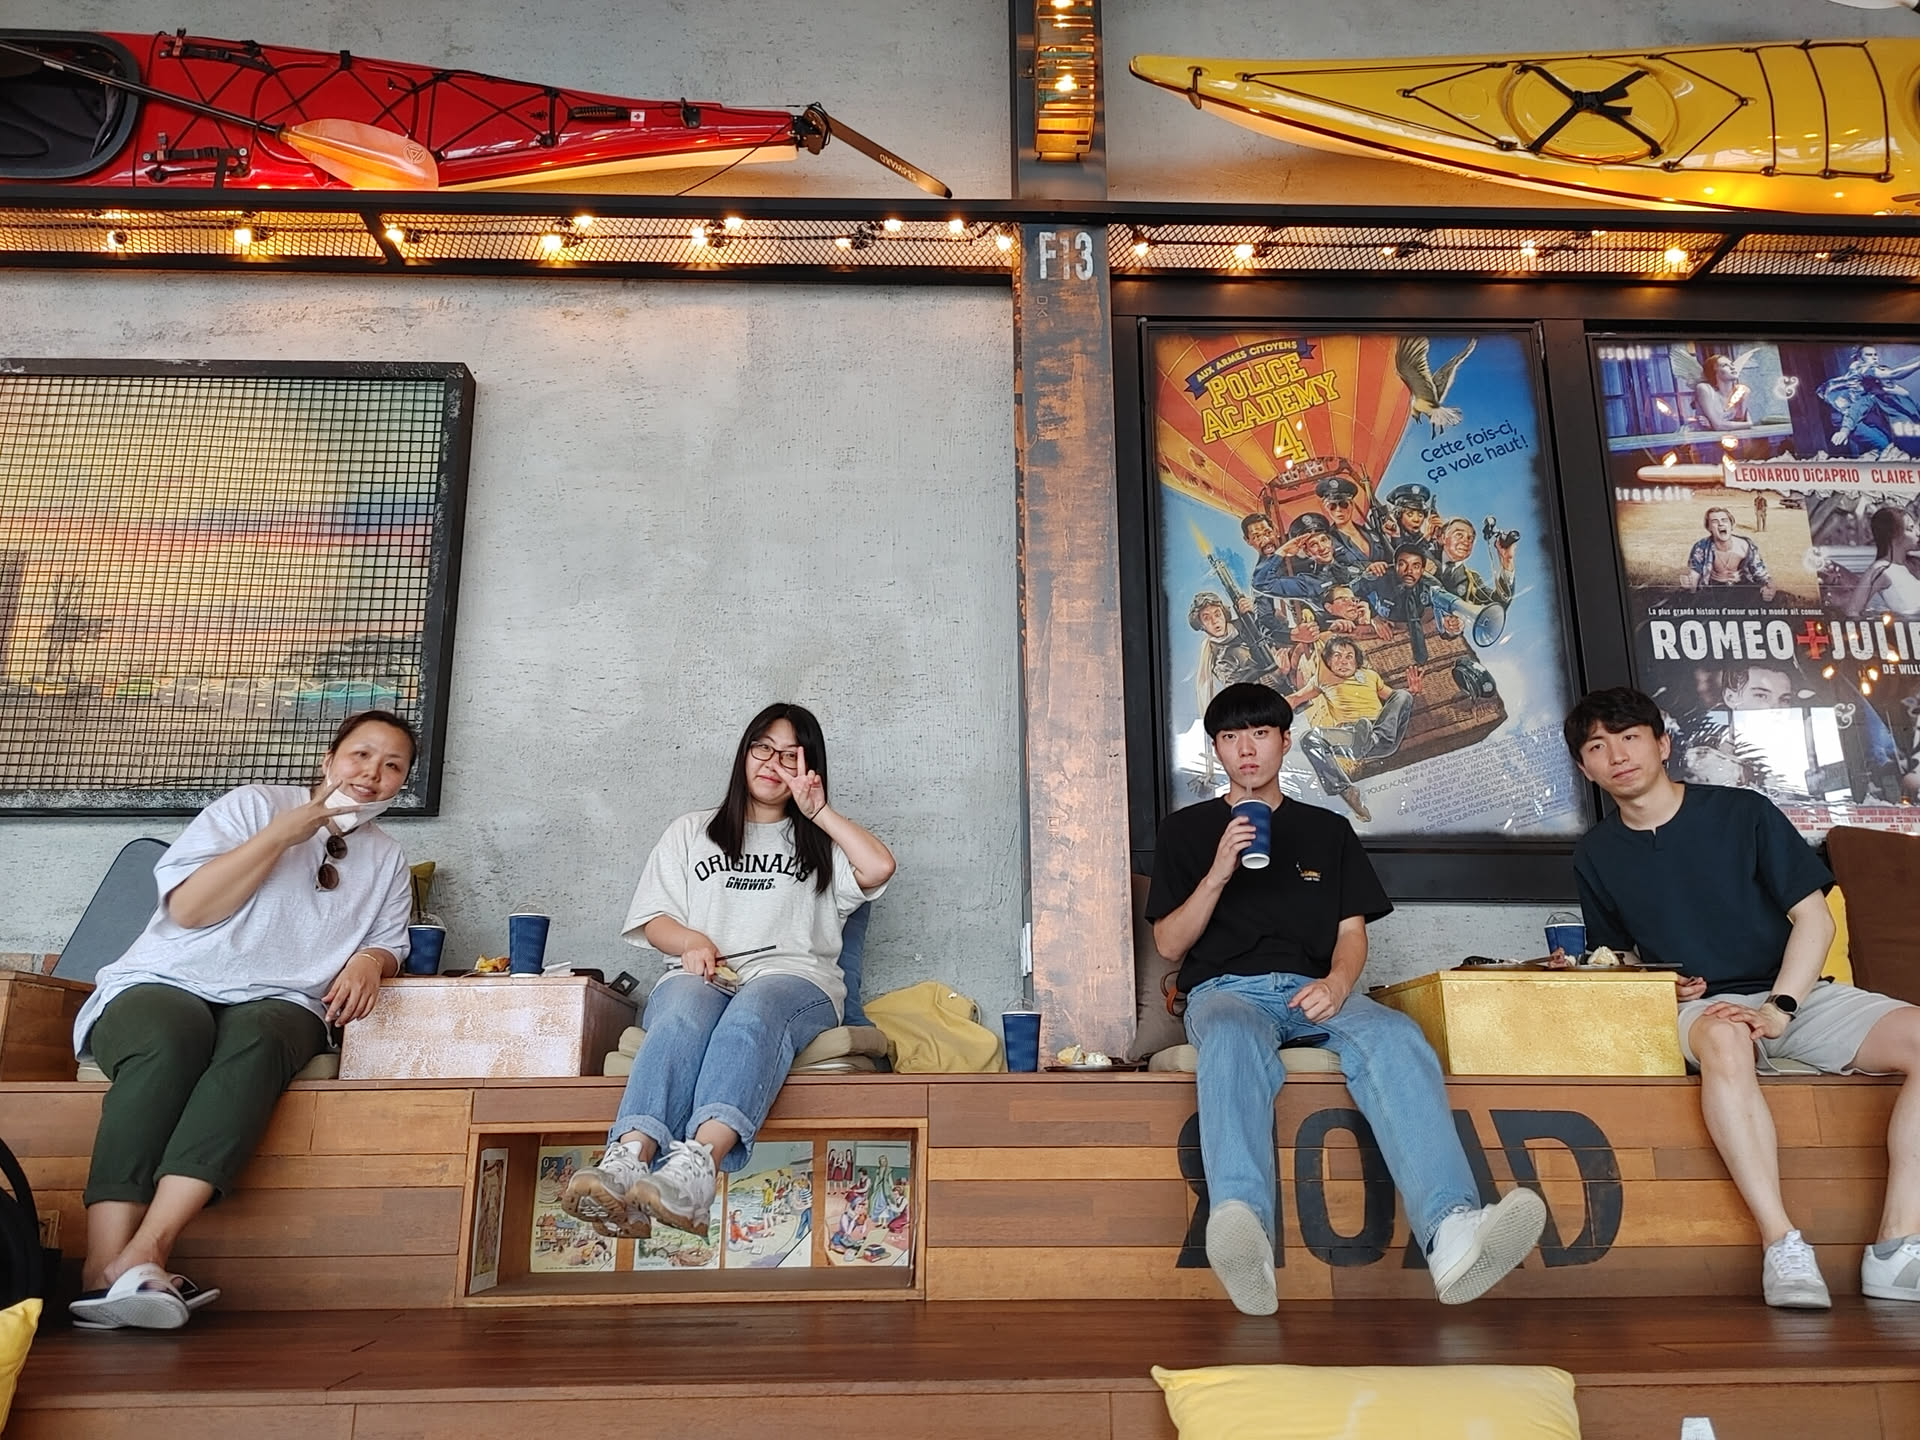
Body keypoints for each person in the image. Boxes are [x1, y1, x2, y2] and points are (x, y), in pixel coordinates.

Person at [1146, 682, 1546, 1315]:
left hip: (1317, 990)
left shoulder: (1327, 830)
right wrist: (1219, 870)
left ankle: (1452, 1233)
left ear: (1284, 741)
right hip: (1226, 991)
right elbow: (1170, 944)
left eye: (1260, 733)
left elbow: (1351, 935)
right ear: (1216, 749)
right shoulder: (1185, 831)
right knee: (1229, 1035)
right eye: (1230, 737)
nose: (1246, 749)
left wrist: (1336, 985)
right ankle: (1242, 1230)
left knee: (1397, 1036)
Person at [1565, 687, 1920, 1307]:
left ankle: (1898, 1246)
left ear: (1663, 745)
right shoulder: (1596, 853)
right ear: (1584, 767)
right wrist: (1658, 982)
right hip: (1701, 1010)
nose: (1617, 755)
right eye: (1598, 746)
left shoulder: (1742, 812)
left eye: (1629, 737)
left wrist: (1779, 1007)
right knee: (1726, 1038)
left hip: (1793, 993)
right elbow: (1617, 960)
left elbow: (1815, 922)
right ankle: (1782, 1243)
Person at [67, 710, 417, 1331]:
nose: (372, 773)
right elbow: (189, 909)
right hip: (165, 981)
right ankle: (102, 1267)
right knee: (171, 1036)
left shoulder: (387, 857)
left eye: (392, 766)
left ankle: (146, 1253)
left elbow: (390, 940)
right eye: (361, 755)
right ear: (329, 758)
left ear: (401, 783)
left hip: (282, 1000)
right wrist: (282, 835)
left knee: (259, 1038)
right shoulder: (253, 806)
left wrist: (371, 960)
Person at [563, 703, 893, 1239]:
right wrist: (691, 941)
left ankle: (695, 1170)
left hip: (795, 982)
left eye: (790, 755)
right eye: (763, 748)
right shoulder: (690, 832)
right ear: (744, 754)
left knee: (754, 1010)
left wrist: (819, 812)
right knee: (680, 1016)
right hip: (702, 977)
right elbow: (654, 920)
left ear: (809, 768)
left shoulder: (825, 844)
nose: (773, 763)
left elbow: (879, 866)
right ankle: (626, 1162)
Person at [1291, 636, 1416, 824]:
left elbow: (1395, 702)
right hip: (1349, 736)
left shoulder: (1370, 676)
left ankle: (1370, 739)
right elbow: (1294, 699)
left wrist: (1412, 691)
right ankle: (1346, 790)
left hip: (1382, 735)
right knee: (1309, 738)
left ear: (1357, 661)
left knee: (1403, 695)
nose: (1343, 661)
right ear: (1328, 661)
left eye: (1349, 656)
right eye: (1337, 656)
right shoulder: (1322, 680)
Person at [1847, 507, 1920, 620]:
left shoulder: (1915, 563)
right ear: (1893, 535)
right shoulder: (1881, 570)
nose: (1918, 533)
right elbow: (1852, 611)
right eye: (1910, 528)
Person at [1687, 507, 1774, 599]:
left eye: (1724, 520)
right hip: (1713, 591)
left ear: (1731, 525)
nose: (1720, 524)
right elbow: (1695, 573)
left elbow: (1761, 573)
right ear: (1709, 528)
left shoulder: (1745, 545)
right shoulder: (1702, 546)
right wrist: (1690, 586)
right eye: (1715, 521)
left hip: (1742, 589)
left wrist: (1770, 587)